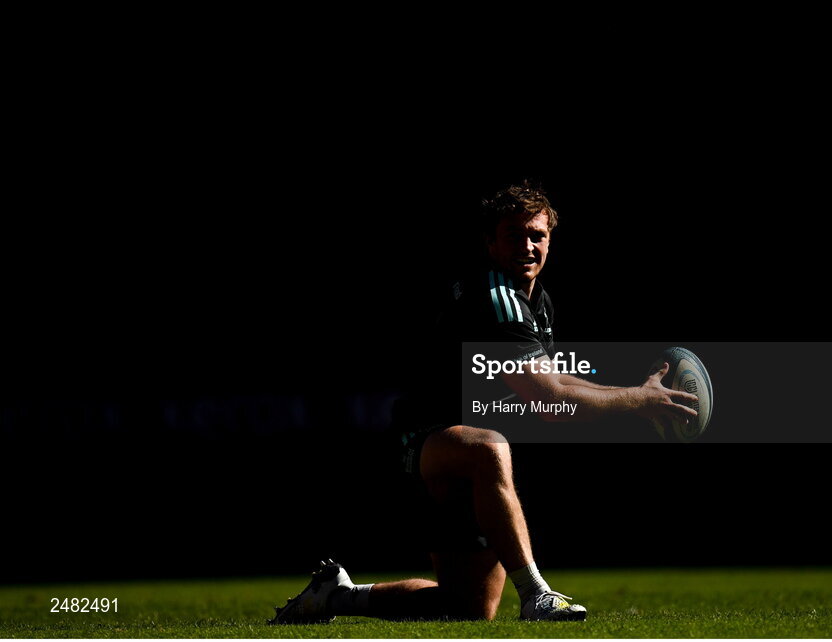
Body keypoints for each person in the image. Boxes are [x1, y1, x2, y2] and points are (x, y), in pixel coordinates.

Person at [269, 182, 698, 624]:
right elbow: (549, 401)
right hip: (424, 439)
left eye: (537, 235)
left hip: (465, 450)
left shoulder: (537, 301)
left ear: (551, 238)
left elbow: (554, 380)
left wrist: (641, 396)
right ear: (490, 242)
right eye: (514, 235)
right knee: (489, 447)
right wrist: (638, 400)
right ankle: (537, 594)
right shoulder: (497, 299)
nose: (528, 245)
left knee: (466, 609)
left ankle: (336, 596)